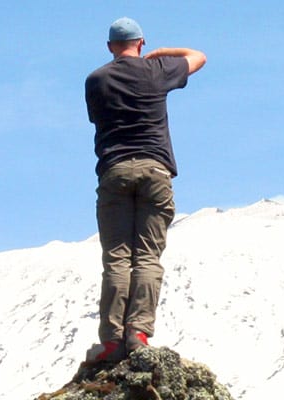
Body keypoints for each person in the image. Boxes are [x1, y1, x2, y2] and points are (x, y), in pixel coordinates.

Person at [84, 17, 205, 362]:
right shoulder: (156, 72)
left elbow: (97, 118)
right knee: (147, 256)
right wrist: (163, 53)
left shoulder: (96, 80)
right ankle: (138, 333)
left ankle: (111, 341)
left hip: (115, 172)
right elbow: (199, 56)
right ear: (141, 43)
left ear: (109, 47)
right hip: (155, 170)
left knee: (117, 258)